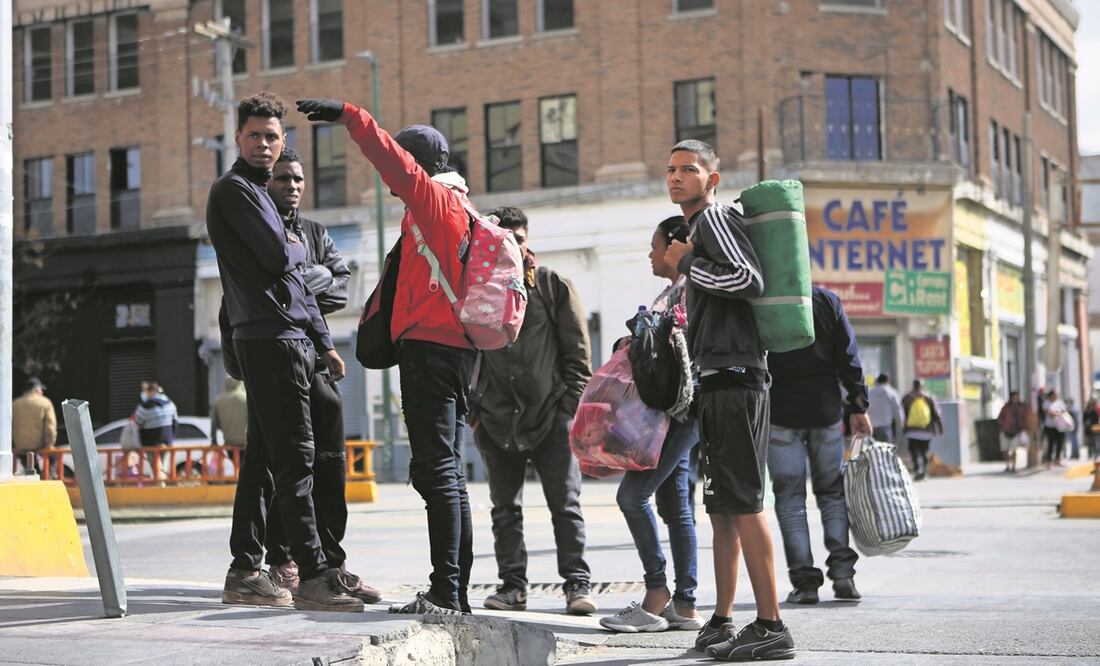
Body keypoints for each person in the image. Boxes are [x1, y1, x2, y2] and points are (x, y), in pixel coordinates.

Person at [297, 97, 478, 615]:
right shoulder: (459, 207)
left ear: (417, 165)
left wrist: (349, 116)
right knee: (446, 474)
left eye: (403, 167)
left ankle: (445, 593)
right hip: (454, 351)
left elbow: (390, 160)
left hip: (430, 352)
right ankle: (453, 593)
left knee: (437, 472)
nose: (392, 184)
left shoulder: (435, 201)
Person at [206, 92, 361, 613]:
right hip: (267, 337)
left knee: (265, 461)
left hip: (290, 336)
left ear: (283, 140)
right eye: (254, 135)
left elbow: (298, 282)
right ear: (238, 138)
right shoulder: (235, 190)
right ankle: (313, 575)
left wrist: (324, 341)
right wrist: (295, 248)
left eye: (271, 136)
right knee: (297, 458)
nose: (263, 144)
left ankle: (245, 570)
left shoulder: (260, 193)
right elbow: (280, 256)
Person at [662, 139, 795, 661]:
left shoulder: (714, 220)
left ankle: (772, 625)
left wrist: (688, 263)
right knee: (722, 509)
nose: (676, 177)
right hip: (719, 381)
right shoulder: (699, 227)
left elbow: (747, 278)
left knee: (744, 502)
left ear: (712, 179)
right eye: (671, 170)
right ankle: (722, 620)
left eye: (688, 170)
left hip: (737, 378)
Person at [259, 147, 380, 604]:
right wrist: (310, 280)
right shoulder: (258, 230)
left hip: (316, 355)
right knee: (287, 463)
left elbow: (341, 285)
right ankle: (282, 559)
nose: (292, 186)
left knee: (330, 460)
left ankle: (332, 562)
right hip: (275, 356)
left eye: (297, 179)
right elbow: (271, 292)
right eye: (282, 178)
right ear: (267, 183)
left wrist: (301, 282)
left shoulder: (315, 231)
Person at [469, 206, 596, 617]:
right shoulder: (477, 290)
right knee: (505, 510)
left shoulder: (552, 285)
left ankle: (576, 584)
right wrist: (475, 410)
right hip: (495, 419)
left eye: (518, 240)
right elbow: (467, 352)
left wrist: (567, 409)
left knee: (566, 505)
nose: (511, 247)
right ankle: (512, 587)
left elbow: (578, 355)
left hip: (551, 417)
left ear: (528, 241)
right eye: (502, 241)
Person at [600, 215, 703, 634]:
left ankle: (656, 594)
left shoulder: (689, 289)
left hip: (681, 410)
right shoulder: (673, 290)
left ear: (675, 247)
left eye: (655, 246)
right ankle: (686, 604)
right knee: (676, 508)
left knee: (632, 496)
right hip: (674, 413)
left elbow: (677, 349)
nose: (650, 254)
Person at [767, 286, 870, 606]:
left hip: (780, 412)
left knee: (790, 498)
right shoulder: (826, 300)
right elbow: (848, 354)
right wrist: (859, 404)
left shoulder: (766, 297)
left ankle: (805, 583)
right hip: (825, 410)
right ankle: (843, 575)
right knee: (832, 493)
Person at [12, 377, 56, 474]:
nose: (42, 392)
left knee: (31, 468)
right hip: (40, 446)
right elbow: (50, 427)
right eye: (41, 390)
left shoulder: (15, 404)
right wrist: (50, 444)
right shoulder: (45, 402)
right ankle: (49, 476)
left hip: (20, 447)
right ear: (37, 390)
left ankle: (34, 474)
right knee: (53, 458)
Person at [902, 380, 944, 480]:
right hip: (926, 431)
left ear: (913, 386)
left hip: (912, 431)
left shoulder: (907, 397)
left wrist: (903, 427)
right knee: (924, 451)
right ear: (922, 386)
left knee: (913, 451)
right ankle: (924, 471)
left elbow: (902, 413)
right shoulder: (929, 397)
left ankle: (917, 469)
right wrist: (940, 428)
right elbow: (936, 414)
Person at [134, 381, 178, 447]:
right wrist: (170, 439)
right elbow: (175, 423)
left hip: (150, 444)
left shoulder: (144, 407)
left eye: (146, 392)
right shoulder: (170, 404)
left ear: (150, 392)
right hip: (167, 442)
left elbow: (137, 425)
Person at [210, 376, 248, 448]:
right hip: (246, 443)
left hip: (229, 444)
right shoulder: (245, 399)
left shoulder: (218, 401)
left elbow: (214, 424)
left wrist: (214, 442)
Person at [996, 391, 1028, 473]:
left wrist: (1024, 428)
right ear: (1011, 398)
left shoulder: (1022, 407)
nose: (1016, 399)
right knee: (1005, 449)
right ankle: (1008, 465)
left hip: (1017, 431)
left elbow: (1025, 418)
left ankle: (1013, 466)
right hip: (1005, 430)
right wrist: (1002, 426)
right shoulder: (1006, 407)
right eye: (1015, 398)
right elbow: (1000, 418)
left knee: (1014, 449)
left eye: (1018, 397)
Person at [867, 374, 904, 443]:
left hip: (871, 427)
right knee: (885, 448)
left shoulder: (869, 392)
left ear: (877, 381)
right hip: (885, 427)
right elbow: (898, 409)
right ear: (888, 381)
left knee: (873, 448)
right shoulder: (892, 392)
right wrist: (901, 422)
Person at [1042, 389, 1069, 468]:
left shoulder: (1060, 402)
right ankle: (1049, 461)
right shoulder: (1046, 403)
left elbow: (1064, 411)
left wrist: (1059, 414)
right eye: (1053, 395)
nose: (1055, 396)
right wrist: (1059, 414)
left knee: (1060, 443)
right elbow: (1048, 412)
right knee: (1051, 444)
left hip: (1060, 426)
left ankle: (1058, 459)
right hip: (1050, 426)